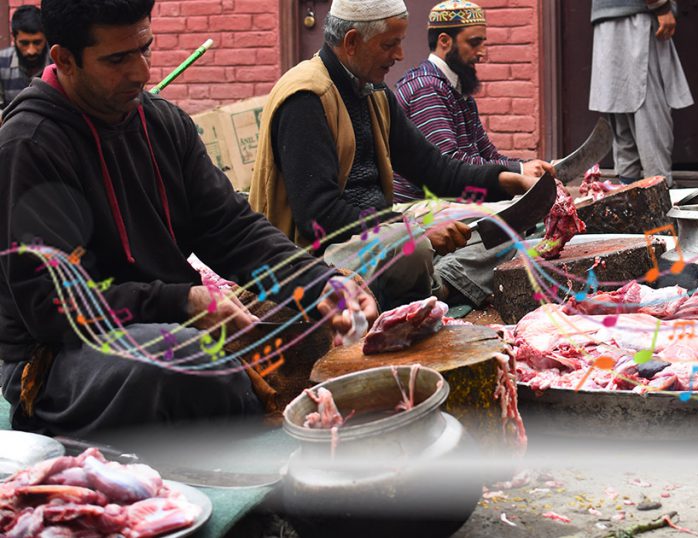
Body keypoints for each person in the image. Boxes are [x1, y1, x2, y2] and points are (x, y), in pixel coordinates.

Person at [0, 0, 378, 438]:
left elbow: (232, 229)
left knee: (313, 317)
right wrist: (182, 302)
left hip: (171, 325)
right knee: (184, 360)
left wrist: (319, 282)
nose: (141, 73)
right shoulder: (28, 146)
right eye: (117, 60)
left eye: (146, 49)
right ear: (64, 59)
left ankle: (252, 401)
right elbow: (55, 308)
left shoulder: (162, 123)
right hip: (61, 357)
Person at [249, 0, 545, 311]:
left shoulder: (373, 92)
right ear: (351, 42)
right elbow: (319, 217)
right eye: (389, 44)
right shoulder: (306, 98)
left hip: (383, 230)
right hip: (317, 254)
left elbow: (435, 169)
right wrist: (413, 228)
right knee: (410, 246)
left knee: (498, 223)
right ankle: (431, 287)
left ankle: (435, 286)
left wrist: (507, 181)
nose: (400, 55)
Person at [392, 0, 549, 203]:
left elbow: (487, 154)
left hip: (455, 203)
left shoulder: (457, 88)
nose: (482, 52)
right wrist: (518, 171)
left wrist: (530, 167)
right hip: (424, 211)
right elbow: (448, 164)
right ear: (445, 41)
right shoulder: (427, 88)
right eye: (474, 43)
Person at [589, 0, 693, 184]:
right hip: (636, 15)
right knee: (650, 113)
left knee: (622, 117)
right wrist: (661, 6)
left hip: (608, 17)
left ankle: (628, 195)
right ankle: (659, 194)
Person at [0, 5, 51, 111]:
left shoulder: (58, 61)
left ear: (46, 37)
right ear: (14, 38)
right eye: (24, 43)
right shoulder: (1, 62)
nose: (31, 51)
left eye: (37, 42)